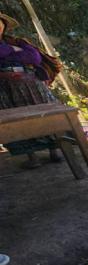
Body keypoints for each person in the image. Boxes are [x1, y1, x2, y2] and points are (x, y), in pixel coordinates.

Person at [0, 12, 62, 168]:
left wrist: (9, 50)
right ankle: (32, 157)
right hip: (5, 90)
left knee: (46, 114)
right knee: (18, 121)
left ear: (4, 26)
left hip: (31, 84)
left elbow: (34, 58)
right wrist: (13, 51)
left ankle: (55, 150)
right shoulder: (14, 45)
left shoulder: (17, 41)